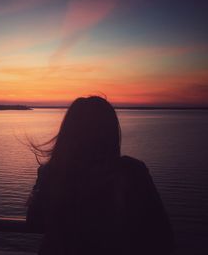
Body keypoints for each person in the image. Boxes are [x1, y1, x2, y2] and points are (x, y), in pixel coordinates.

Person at [26, 96, 174, 255]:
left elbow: (35, 222)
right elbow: (163, 236)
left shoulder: (53, 172)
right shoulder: (132, 172)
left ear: (68, 133)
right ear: (110, 132)